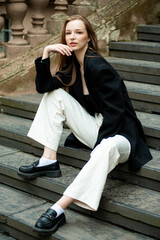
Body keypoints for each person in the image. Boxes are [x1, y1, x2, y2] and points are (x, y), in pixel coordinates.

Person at [18, 15, 152, 235]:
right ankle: (48, 160)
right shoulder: (71, 66)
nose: (72, 37)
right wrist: (46, 52)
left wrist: (99, 148)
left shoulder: (98, 66)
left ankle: (58, 208)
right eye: (68, 33)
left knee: (106, 147)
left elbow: (116, 114)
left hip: (121, 136)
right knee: (54, 96)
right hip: (98, 126)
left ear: (89, 37)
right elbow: (44, 87)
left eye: (78, 32)